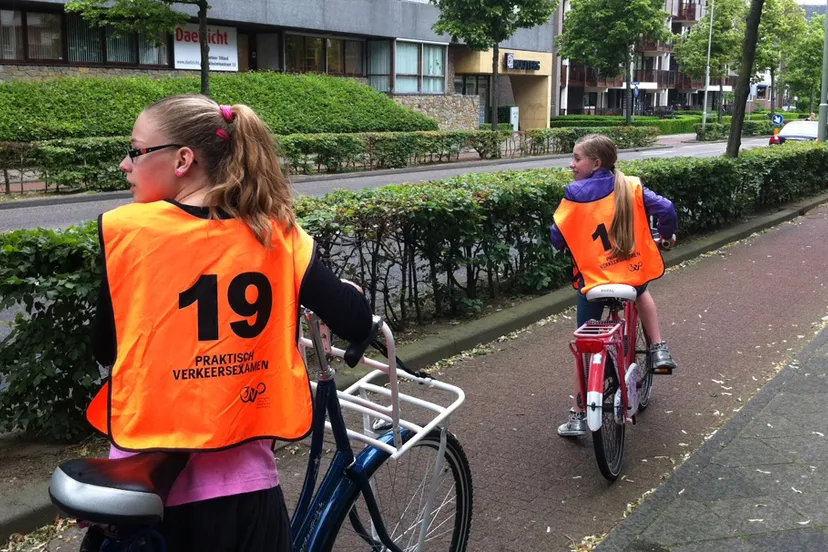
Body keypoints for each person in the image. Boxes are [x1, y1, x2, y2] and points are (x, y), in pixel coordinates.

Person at [84, 94, 373, 551]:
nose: (125, 163)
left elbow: (105, 348)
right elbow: (357, 321)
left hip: (148, 493)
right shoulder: (277, 235)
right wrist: (354, 296)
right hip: (245, 498)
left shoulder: (132, 234)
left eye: (136, 150)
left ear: (183, 159)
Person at [549, 134, 678, 438]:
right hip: (629, 275)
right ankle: (658, 348)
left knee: (585, 346)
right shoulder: (631, 186)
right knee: (642, 289)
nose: (571, 164)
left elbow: (557, 236)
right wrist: (667, 234)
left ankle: (579, 414)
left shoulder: (574, 193)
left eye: (576, 158)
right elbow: (667, 210)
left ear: (595, 163)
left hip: (594, 280)